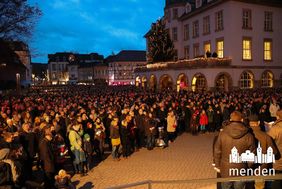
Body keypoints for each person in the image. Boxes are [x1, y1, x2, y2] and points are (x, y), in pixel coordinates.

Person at [214, 111, 256, 189]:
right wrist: (248, 166)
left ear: (230, 119)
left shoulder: (222, 133)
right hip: (241, 169)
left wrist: (218, 166)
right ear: (242, 120)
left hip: (226, 169)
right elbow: (252, 154)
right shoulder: (248, 135)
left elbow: (217, 151)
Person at [248, 114, 280, 189]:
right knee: (260, 186)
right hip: (261, 168)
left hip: (247, 168)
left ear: (249, 123)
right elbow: (274, 153)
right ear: (258, 122)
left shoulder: (246, 135)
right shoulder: (266, 136)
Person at [267, 110, 282, 188]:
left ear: (278, 117)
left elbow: (268, 141)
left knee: (277, 181)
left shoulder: (275, 128)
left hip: (278, 159)